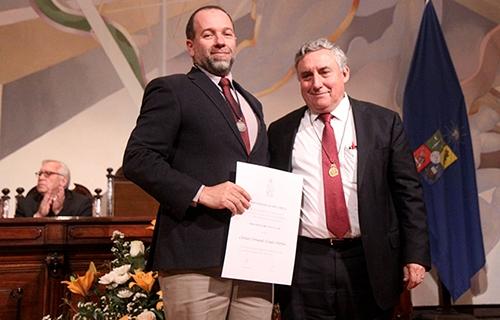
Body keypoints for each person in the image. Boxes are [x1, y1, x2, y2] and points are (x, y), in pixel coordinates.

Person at [122, 5, 271, 320]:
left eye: (226, 33)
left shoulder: (251, 103)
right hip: (195, 256)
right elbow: (138, 157)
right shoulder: (172, 89)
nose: (220, 41)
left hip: (253, 259)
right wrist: (201, 192)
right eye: (208, 34)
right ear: (190, 46)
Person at [267, 38, 431, 320]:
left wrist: (415, 255)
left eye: (324, 72)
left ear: (344, 73)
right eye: (306, 76)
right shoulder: (280, 131)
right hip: (305, 264)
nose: (316, 82)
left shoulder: (384, 123)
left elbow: (408, 195)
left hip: (369, 259)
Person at [16, 160, 92, 217]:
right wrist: (39, 215)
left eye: (48, 174)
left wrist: (59, 212)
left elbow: (80, 234)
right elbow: (18, 234)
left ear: (63, 181)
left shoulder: (81, 204)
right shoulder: (25, 204)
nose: (41, 177)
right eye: (40, 174)